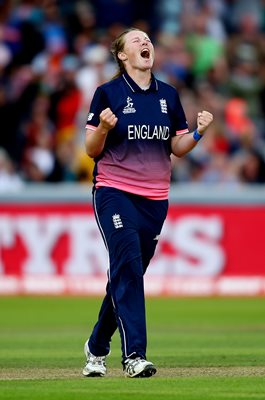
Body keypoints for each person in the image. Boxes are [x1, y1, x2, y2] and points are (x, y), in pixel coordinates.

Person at [82, 27, 213, 378]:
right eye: (136, 40)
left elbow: (177, 148)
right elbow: (90, 150)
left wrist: (198, 132)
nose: (145, 43)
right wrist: (104, 129)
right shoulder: (107, 93)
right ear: (122, 56)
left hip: (155, 200)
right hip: (114, 191)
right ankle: (134, 356)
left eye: (147, 39)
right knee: (127, 268)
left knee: (129, 272)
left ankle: (96, 347)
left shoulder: (168, 95)